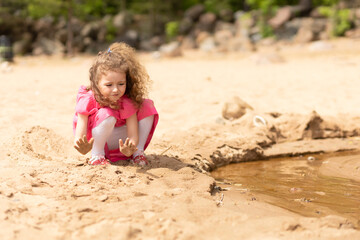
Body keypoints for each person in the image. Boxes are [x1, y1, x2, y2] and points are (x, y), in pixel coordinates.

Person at [73, 42, 158, 166]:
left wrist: (132, 146)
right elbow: (80, 132)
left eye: (121, 84)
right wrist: (81, 145)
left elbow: (133, 133)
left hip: (123, 144)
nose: (115, 90)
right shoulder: (88, 99)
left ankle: (138, 154)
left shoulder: (127, 101)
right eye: (109, 85)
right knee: (107, 113)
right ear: (96, 83)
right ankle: (97, 155)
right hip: (98, 140)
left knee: (147, 106)